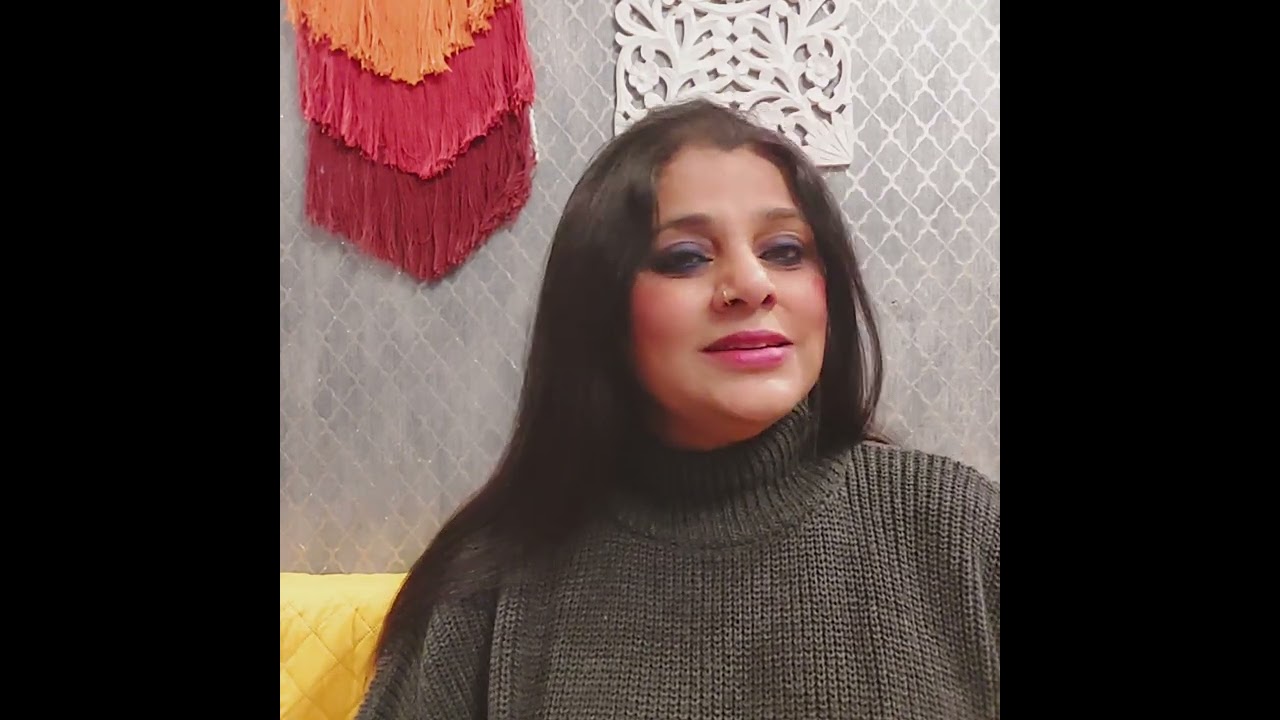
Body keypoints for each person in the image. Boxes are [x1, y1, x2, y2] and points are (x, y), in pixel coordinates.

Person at [355, 98, 999, 719]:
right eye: (685, 257)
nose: (751, 285)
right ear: (602, 307)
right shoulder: (487, 587)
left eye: (784, 251)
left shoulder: (958, 528)